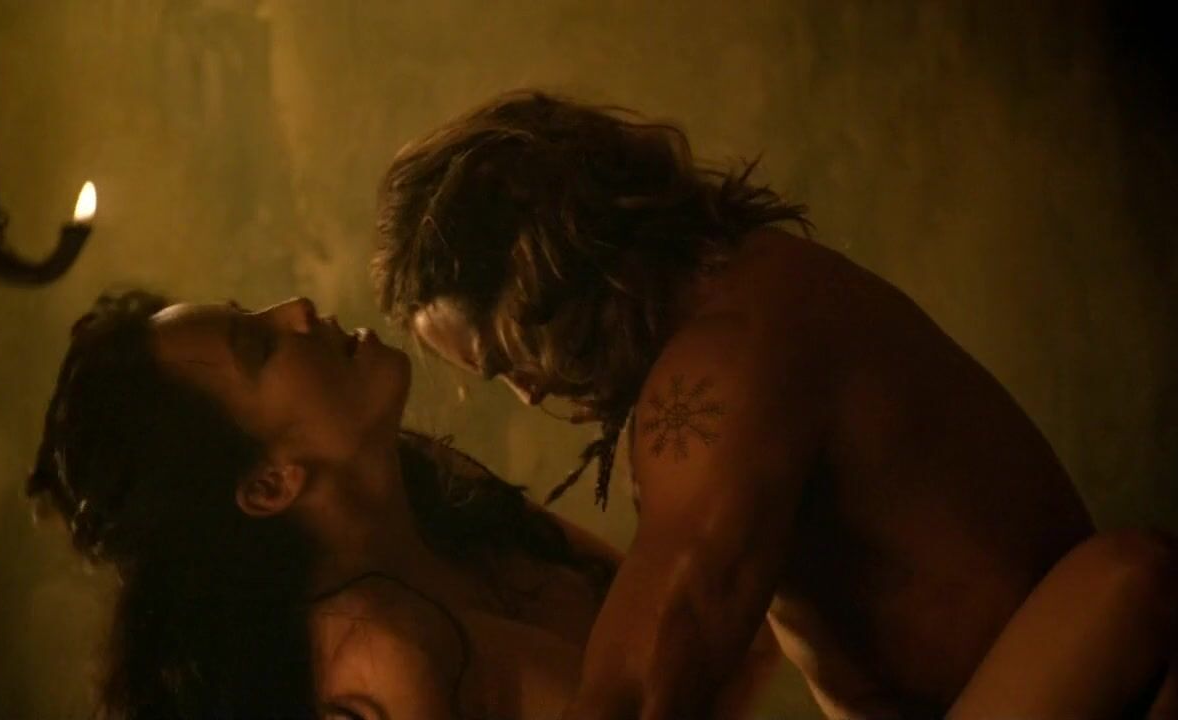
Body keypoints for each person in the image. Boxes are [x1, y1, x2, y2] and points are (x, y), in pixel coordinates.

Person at [372, 90, 1178, 719]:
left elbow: (643, 686)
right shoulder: (742, 297)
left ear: (543, 274)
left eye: (509, 357)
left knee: (1123, 580)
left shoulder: (726, 359)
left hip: (1095, 674)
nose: (529, 392)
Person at [28, 288, 703, 719]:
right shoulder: (373, 663)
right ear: (268, 486)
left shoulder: (451, 511)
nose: (296, 309)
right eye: (259, 346)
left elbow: (700, 621)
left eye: (251, 309)